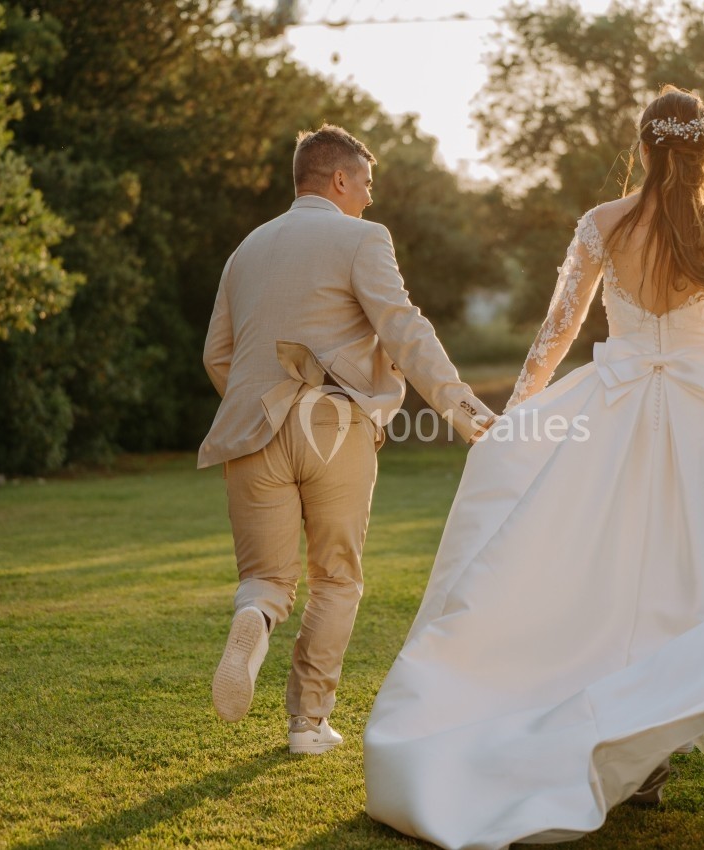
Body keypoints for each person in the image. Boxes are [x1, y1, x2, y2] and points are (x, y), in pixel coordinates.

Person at [363, 86, 704, 848]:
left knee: (599, 580)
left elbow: (558, 326)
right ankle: (650, 747)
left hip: (613, 409)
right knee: (697, 576)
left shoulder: (604, 223)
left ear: (643, 147)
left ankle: (626, 741)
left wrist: (522, 410)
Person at [199, 124, 494, 755]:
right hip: (335, 426)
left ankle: (253, 617)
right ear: (338, 179)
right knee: (336, 578)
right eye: (365, 182)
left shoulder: (246, 249)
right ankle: (308, 725)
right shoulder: (362, 238)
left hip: (253, 427)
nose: (369, 196)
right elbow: (403, 329)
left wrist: (258, 402)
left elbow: (217, 353)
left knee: (266, 579)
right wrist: (464, 410)